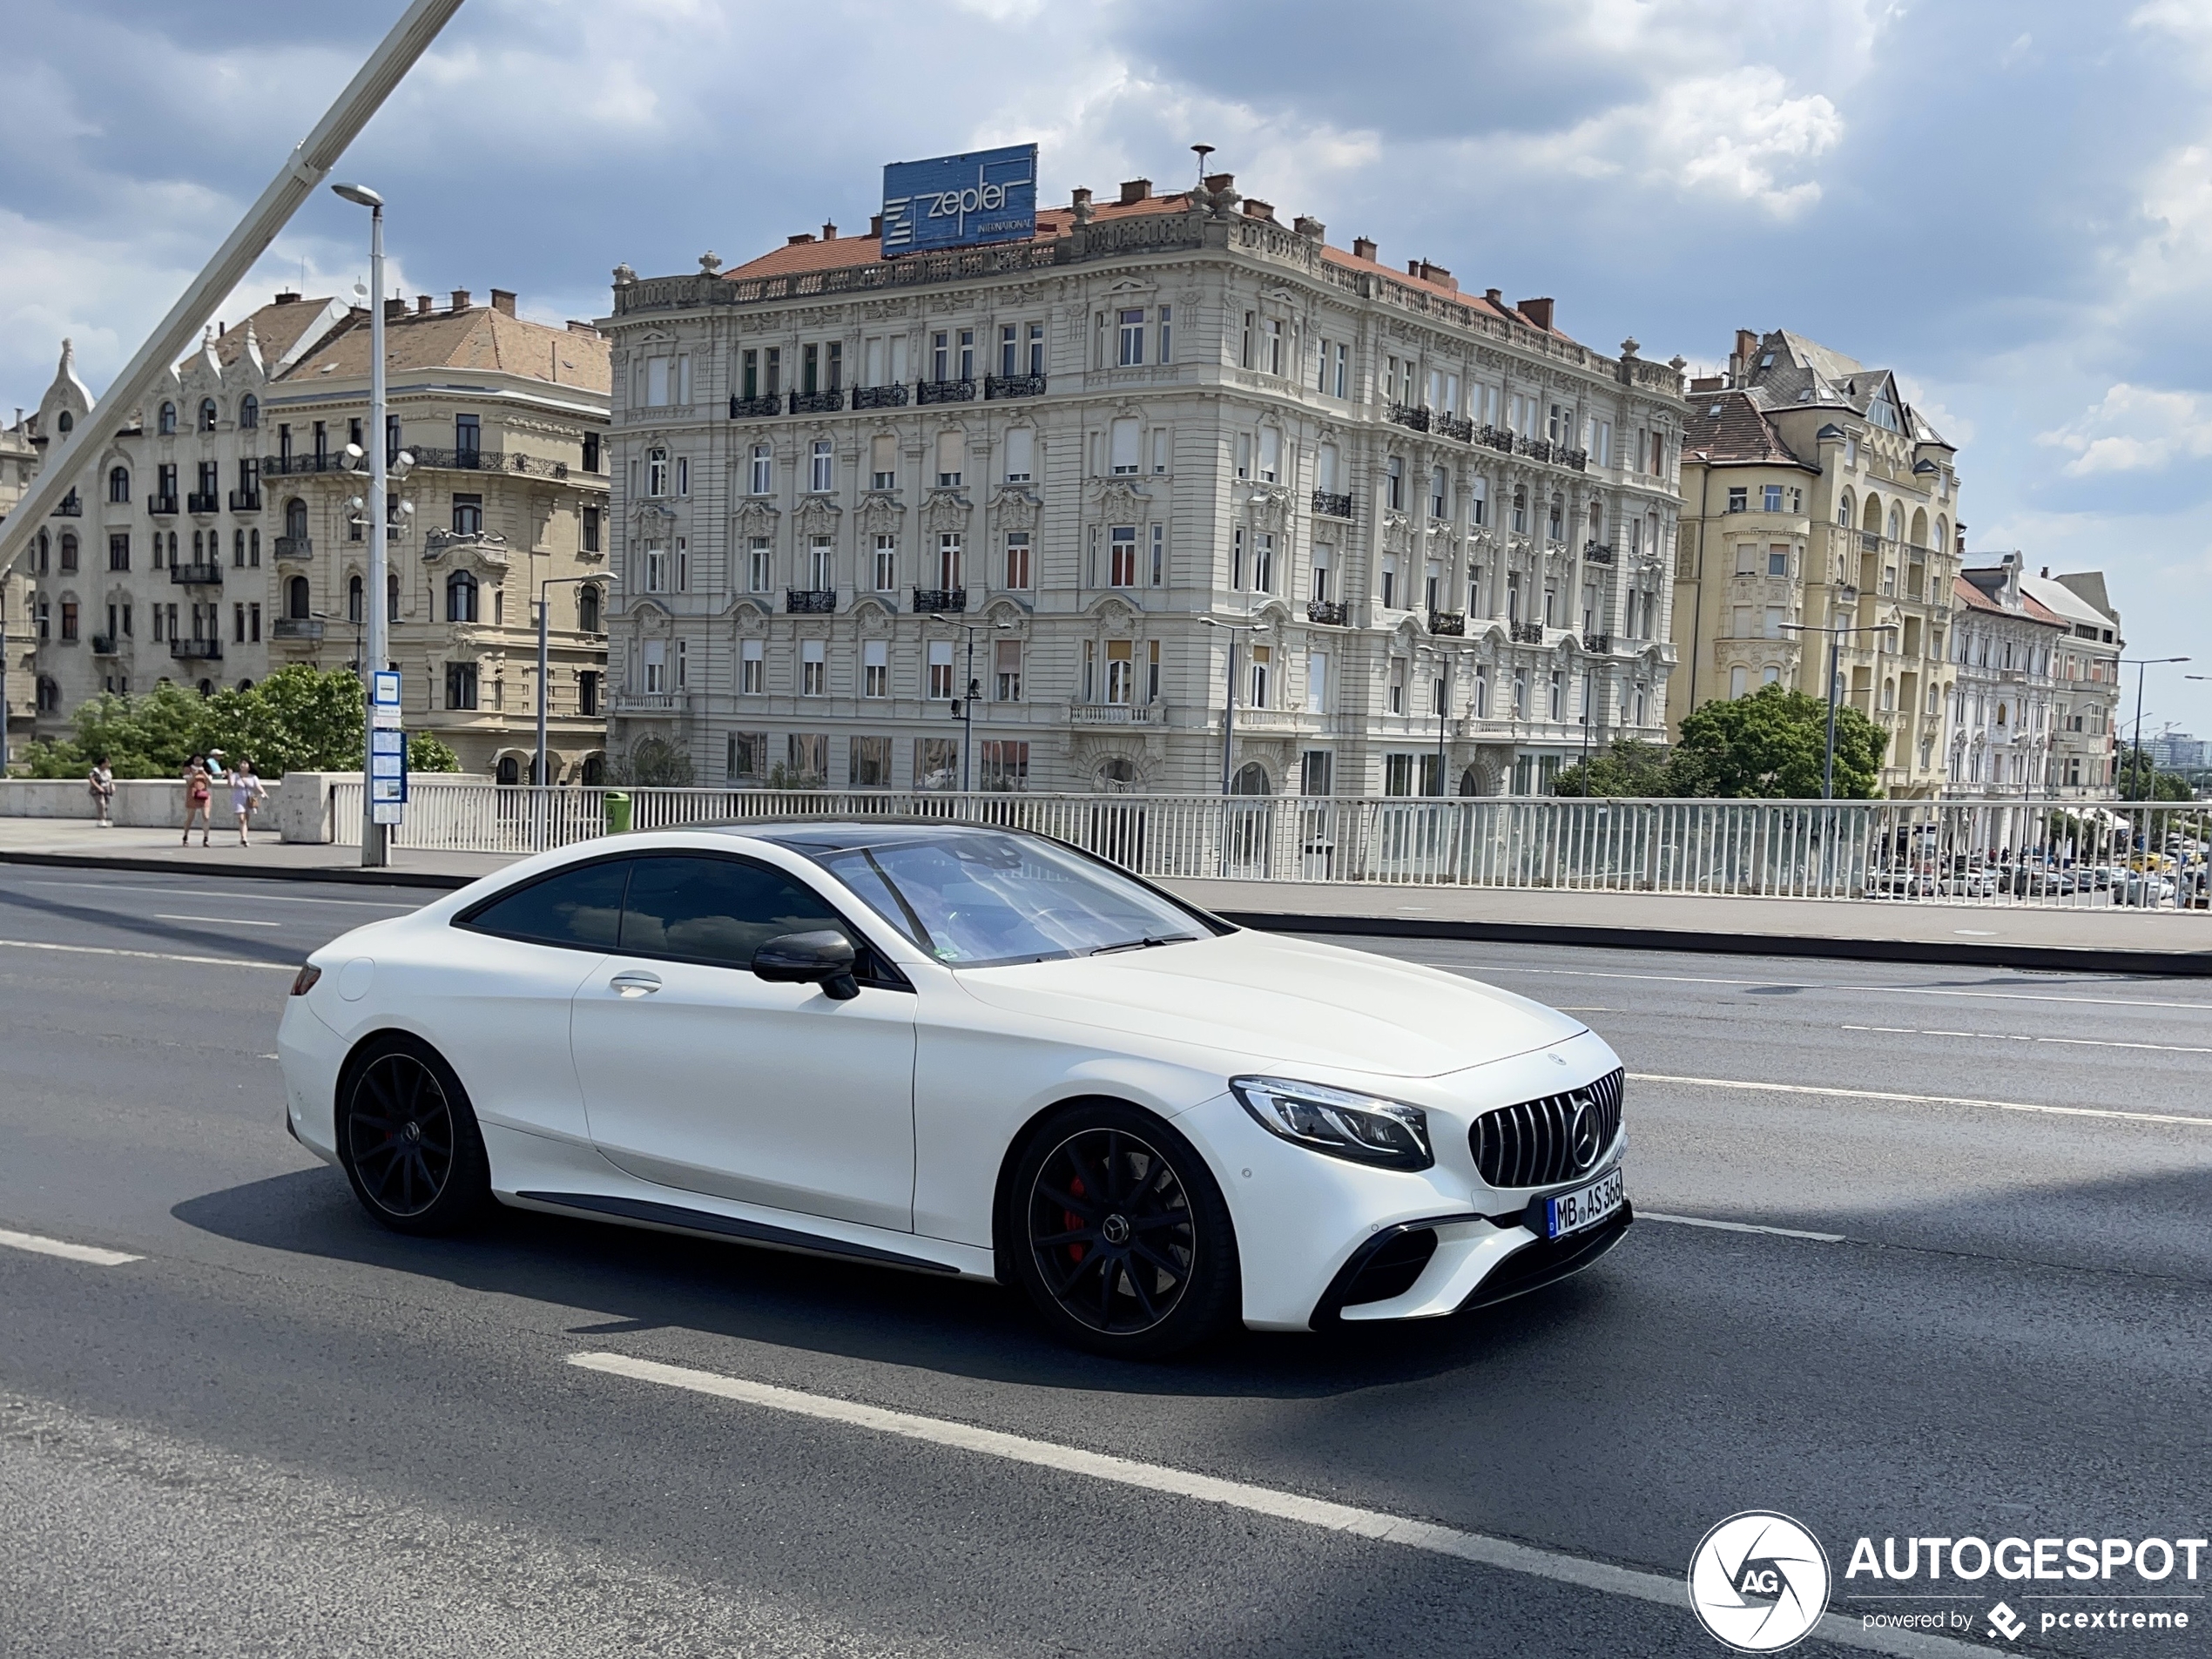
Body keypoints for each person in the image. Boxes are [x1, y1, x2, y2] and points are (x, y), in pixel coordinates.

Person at [228, 758, 266, 848]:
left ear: (249, 766)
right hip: (239, 798)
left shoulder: (253, 777)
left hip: (250, 797)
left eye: (245, 763)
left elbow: (258, 786)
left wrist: (263, 793)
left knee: (247, 818)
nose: (242, 765)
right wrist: (229, 776)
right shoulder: (235, 775)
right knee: (242, 818)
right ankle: (243, 837)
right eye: (241, 763)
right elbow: (231, 785)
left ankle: (244, 837)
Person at [181, 755, 213, 846]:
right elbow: (188, 782)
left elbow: (210, 783)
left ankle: (206, 838)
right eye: (196, 759)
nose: (198, 761)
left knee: (206, 816)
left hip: (204, 793)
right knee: (190, 816)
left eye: (200, 759)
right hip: (193, 793)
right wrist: (195, 775)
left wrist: (204, 773)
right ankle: (186, 836)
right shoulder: (189, 769)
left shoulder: (206, 769)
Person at [87, 755, 115, 827]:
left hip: (106, 790)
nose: (108, 764)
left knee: (105, 805)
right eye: (107, 762)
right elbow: (91, 779)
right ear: (102, 763)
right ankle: (103, 820)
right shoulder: (96, 771)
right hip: (96, 790)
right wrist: (98, 787)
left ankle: (100, 820)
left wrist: (112, 786)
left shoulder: (108, 771)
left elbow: (110, 780)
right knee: (101, 803)